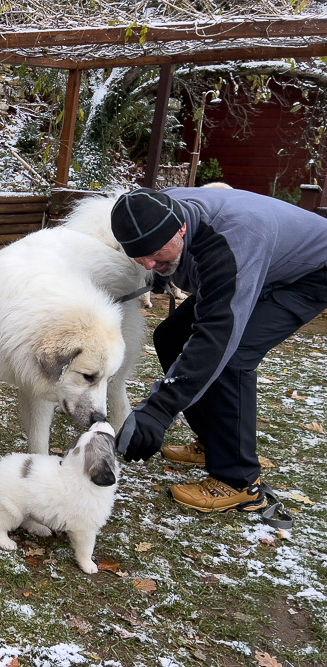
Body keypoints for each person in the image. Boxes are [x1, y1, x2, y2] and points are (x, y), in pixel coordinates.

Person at [111, 186, 327, 513]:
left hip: (309, 275)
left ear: (181, 228)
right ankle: (213, 442)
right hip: (264, 259)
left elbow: (216, 335)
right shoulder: (159, 209)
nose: (149, 263)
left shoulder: (235, 239)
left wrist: (158, 410)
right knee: (171, 336)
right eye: (139, 255)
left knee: (234, 357)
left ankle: (238, 480)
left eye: (155, 253)